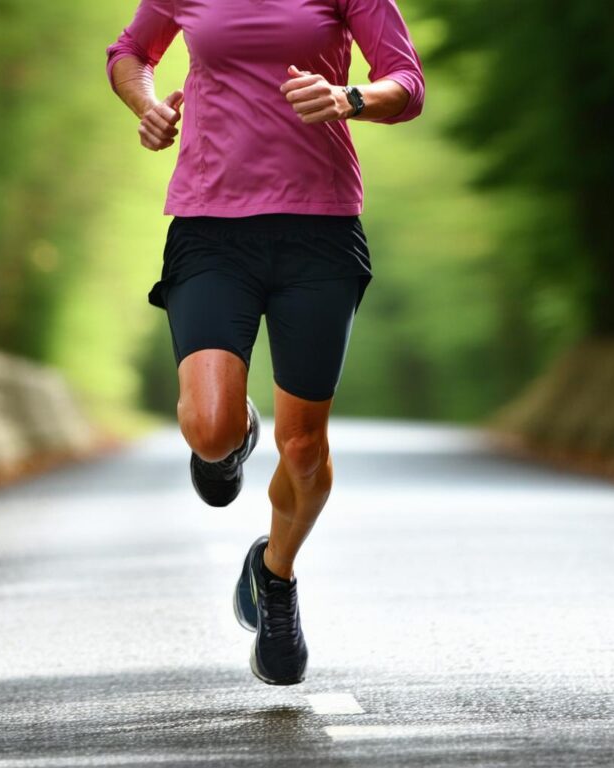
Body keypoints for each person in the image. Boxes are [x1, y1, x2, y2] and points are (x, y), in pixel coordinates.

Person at [105, 0, 424, 686]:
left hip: (320, 232)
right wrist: (148, 105)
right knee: (211, 431)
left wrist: (349, 97)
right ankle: (235, 432)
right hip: (210, 228)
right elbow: (129, 53)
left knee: (305, 446)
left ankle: (274, 576)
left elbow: (406, 82)